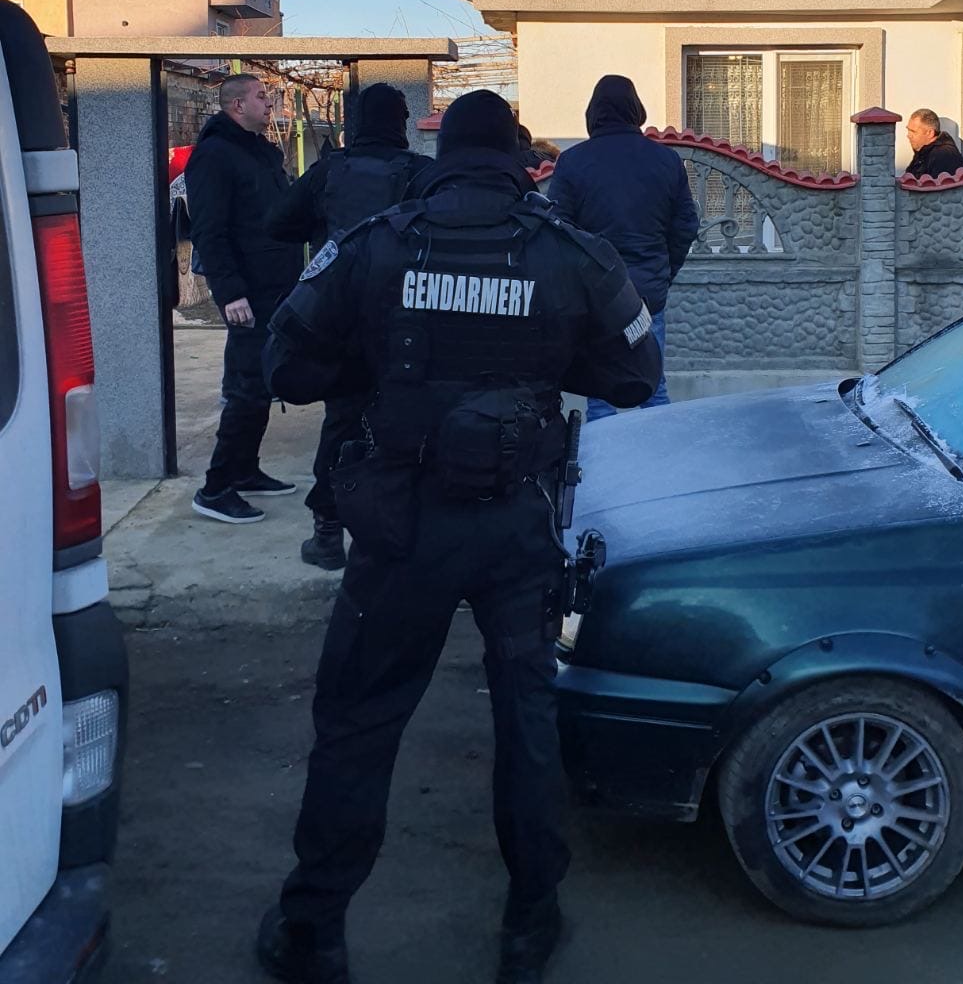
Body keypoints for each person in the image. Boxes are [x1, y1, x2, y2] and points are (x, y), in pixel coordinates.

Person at [254, 90, 661, 984]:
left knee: (359, 719)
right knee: (526, 717)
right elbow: (637, 374)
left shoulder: (375, 243)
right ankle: (530, 924)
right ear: (516, 157)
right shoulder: (570, 251)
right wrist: (547, 361)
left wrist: (373, 361)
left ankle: (313, 931)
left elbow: (286, 362)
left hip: (401, 527)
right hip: (519, 524)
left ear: (442, 158)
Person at [266, 83, 432, 569]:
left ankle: (327, 532)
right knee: (411, 421)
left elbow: (277, 223)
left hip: (339, 320)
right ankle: (401, 531)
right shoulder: (420, 173)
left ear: (356, 123)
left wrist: (322, 231)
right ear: (401, 123)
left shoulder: (329, 171)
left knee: (341, 424)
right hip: (405, 319)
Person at [546, 74, 698, 421]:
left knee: (600, 394)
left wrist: (574, 281)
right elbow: (685, 226)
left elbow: (558, 229)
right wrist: (664, 272)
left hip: (594, 295)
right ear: (636, 109)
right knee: (653, 387)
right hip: (647, 292)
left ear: (593, 112)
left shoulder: (573, 162)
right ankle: (662, 452)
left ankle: (605, 455)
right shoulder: (666, 161)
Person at [187, 74, 304, 524]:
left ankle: (244, 470)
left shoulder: (258, 152)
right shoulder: (215, 155)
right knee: (246, 388)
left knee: (262, 383)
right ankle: (216, 488)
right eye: (261, 96)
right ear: (237, 105)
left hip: (274, 287)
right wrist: (230, 292)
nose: (269, 102)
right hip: (248, 294)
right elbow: (209, 231)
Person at [904, 108, 963, 180]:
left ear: (930, 133)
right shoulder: (924, 153)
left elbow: (942, 185)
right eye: (908, 130)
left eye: (913, 131)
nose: (909, 135)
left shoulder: (944, 156)